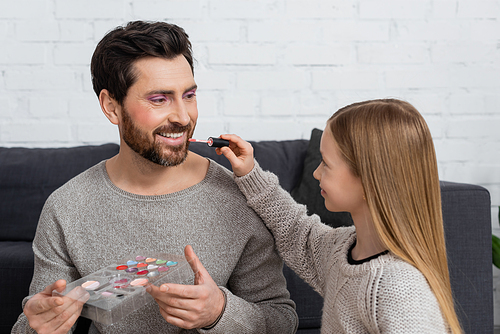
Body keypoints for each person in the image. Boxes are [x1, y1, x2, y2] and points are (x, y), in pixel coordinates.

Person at [12, 21, 297, 334]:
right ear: (111, 107)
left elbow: (281, 321)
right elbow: (34, 319)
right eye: (159, 99)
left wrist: (219, 313)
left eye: (188, 95)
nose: (183, 117)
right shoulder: (66, 207)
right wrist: (38, 326)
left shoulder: (238, 198)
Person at [219, 99, 462, 333]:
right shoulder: (342, 251)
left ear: (370, 179)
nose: (316, 173)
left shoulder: (399, 288)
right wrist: (250, 173)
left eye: (326, 163)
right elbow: (295, 232)